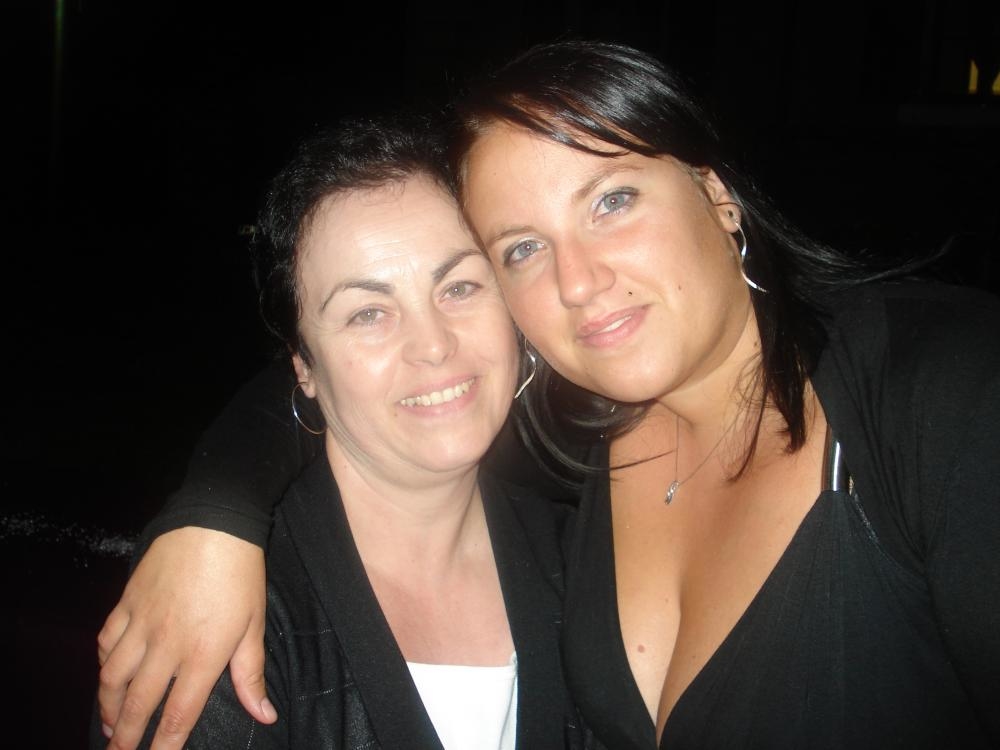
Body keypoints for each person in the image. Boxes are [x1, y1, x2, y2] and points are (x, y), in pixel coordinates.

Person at [96, 41, 1000, 749]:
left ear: (716, 192)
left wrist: (218, 502)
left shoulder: (939, 385)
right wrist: (218, 509)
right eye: (523, 248)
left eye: (611, 201)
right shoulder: (583, 439)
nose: (577, 281)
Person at [92, 115, 587, 749]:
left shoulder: (583, 560)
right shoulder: (225, 616)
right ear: (303, 366)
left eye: (460, 286)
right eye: (368, 313)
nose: (433, 345)